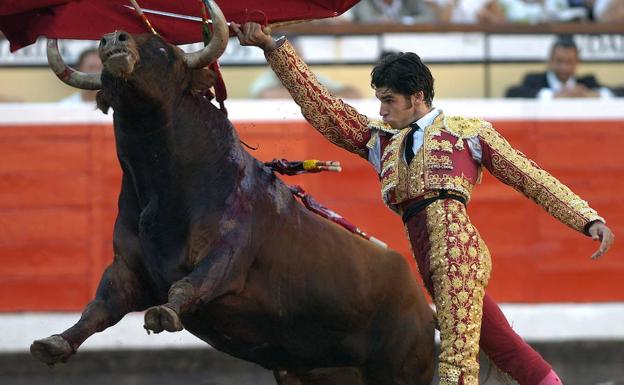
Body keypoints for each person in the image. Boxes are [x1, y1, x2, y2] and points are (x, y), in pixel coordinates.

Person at [231, 22, 615, 385]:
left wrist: (587, 219)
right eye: (380, 100)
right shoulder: (381, 141)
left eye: (389, 100)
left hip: (456, 251)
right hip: (428, 257)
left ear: (417, 98)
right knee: (501, 343)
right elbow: (326, 110)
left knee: (456, 359)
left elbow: (531, 179)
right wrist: (274, 48)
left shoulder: (468, 133)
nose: (381, 110)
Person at [506, 36, 614, 99]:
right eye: (559, 61)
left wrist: (593, 94)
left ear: (577, 62)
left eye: (569, 62)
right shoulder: (534, 80)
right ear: (550, 60)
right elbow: (511, 93)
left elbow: (619, 91)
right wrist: (554, 95)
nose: (564, 67)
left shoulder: (587, 82)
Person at [350, 0, 436, 23]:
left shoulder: (410, 1)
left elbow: (429, 16)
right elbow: (366, 19)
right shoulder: (365, 2)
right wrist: (382, 21)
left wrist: (405, 21)